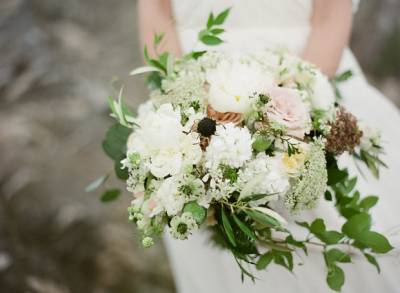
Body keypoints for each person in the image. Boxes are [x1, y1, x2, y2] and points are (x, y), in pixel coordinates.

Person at [138, 1, 400, 292]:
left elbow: (330, 19)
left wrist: (289, 114)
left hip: (304, 85)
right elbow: (156, 13)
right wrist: (184, 107)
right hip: (191, 111)